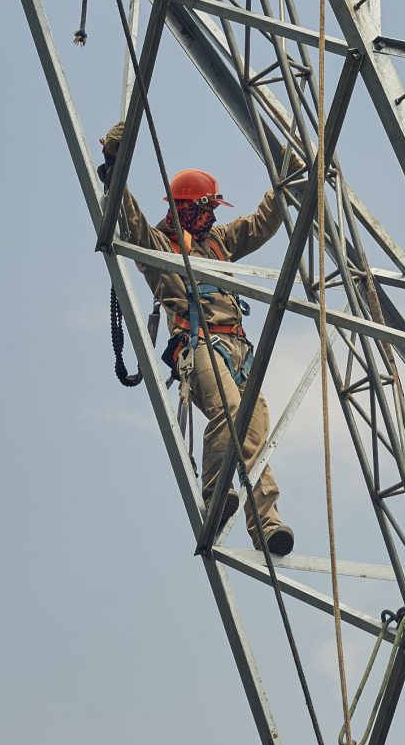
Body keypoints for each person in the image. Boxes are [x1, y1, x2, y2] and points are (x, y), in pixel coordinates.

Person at [100, 122, 295, 556]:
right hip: (202, 343)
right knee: (229, 414)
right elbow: (126, 218)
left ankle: (265, 522)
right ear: (187, 209)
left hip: (240, 348)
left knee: (254, 437)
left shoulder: (219, 242)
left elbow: (262, 223)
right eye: (207, 210)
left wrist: (289, 180)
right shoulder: (159, 245)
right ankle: (216, 492)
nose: (213, 217)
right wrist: (114, 164)